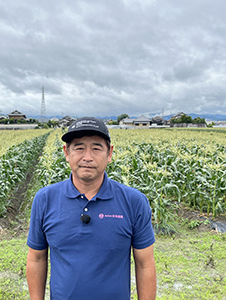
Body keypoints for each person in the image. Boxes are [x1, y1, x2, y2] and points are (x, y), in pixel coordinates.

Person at [26, 117, 156, 300]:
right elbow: (36, 258)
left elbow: (145, 264)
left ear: (109, 153)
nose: (87, 157)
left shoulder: (134, 202)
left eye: (96, 148)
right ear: (66, 152)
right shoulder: (45, 199)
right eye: (79, 148)